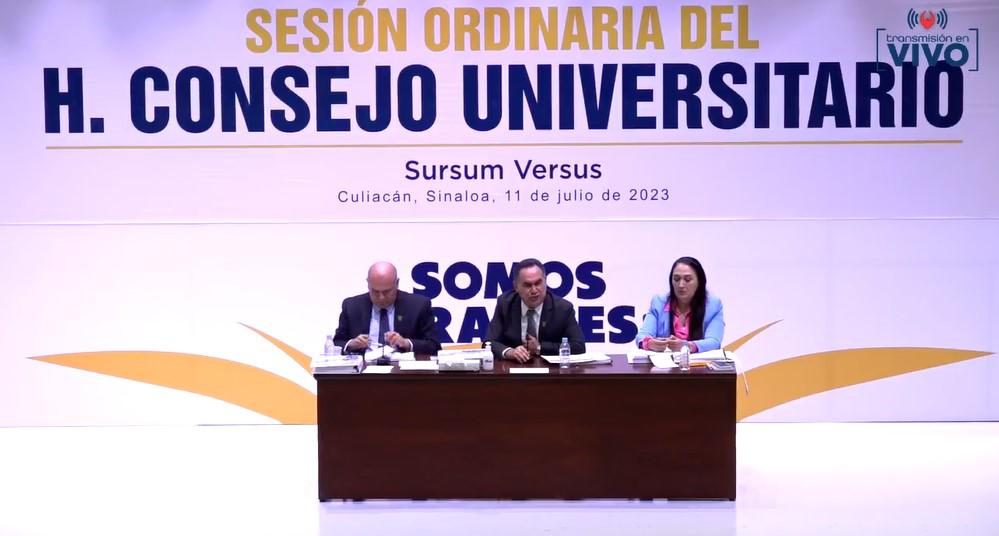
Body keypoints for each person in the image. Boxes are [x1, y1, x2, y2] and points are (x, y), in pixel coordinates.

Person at [487, 258, 586, 363]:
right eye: (527, 285)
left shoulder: (563, 309)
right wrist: (510, 352)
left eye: (538, 283)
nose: (534, 290)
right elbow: (488, 342)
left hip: (550, 370)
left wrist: (540, 348)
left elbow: (579, 346)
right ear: (516, 287)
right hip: (513, 368)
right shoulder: (505, 304)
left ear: (545, 282)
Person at [333, 262, 441, 355]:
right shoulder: (351, 306)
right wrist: (351, 344)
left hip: (402, 369)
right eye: (375, 291)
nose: (381, 297)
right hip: (364, 369)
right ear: (368, 284)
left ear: (397, 283)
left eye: (386, 292)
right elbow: (336, 343)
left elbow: (434, 345)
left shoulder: (418, 305)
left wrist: (406, 343)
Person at [635, 256, 724, 353]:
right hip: (664, 362)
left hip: (698, 362)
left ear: (699, 282)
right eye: (676, 279)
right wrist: (649, 343)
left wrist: (687, 346)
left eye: (687, 279)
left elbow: (714, 342)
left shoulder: (713, 306)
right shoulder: (658, 303)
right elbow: (641, 336)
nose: (681, 285)